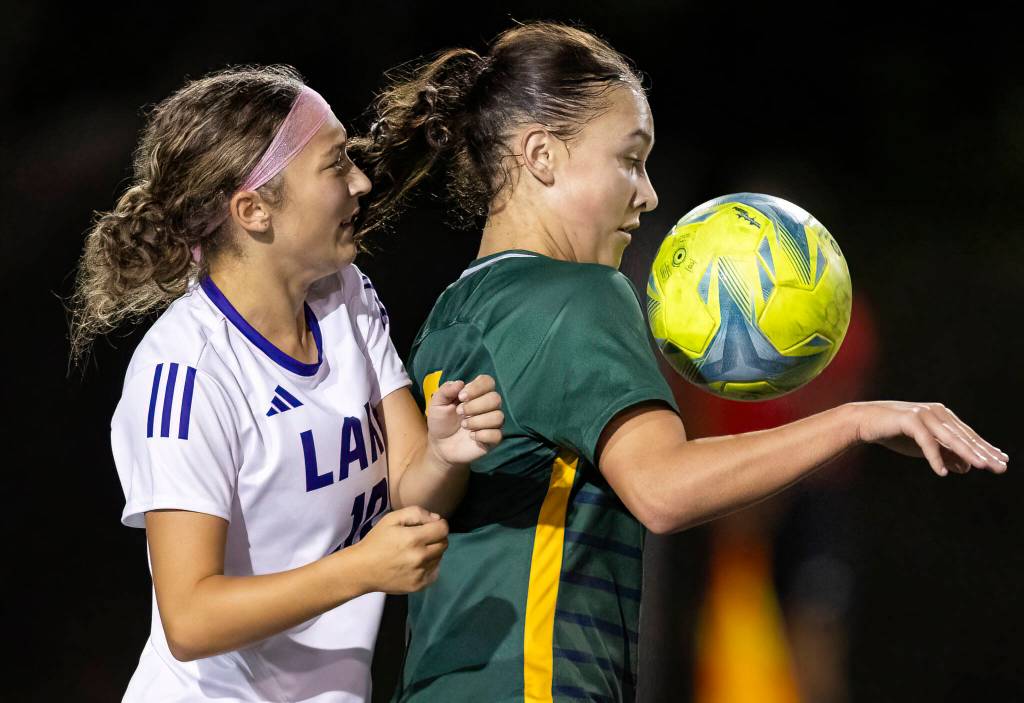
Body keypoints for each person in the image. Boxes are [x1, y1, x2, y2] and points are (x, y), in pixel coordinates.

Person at [352, 22, 1009, 703]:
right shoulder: (578, 295)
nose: (649, 194)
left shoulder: (449, 314)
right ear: (542, 156)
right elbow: (662, 489)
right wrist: (851, 421)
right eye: (629, 160)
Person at [70, 65, 503, 703]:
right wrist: (359, 570)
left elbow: (413, 488)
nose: (360, 181)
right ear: (253, 210)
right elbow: (190, 618)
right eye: (334, 166)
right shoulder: (188, 374)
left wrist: (444, 451)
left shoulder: (344, 297)